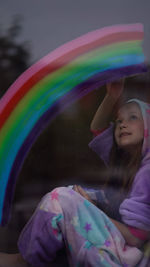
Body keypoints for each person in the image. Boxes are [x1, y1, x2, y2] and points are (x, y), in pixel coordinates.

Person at [1, 79, 150, 267]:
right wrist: (111, 97)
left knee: (61, 198)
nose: (121, 124)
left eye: (133, 117)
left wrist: (88, 209)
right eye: (119, 120)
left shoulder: (147, 172)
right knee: (71, 193)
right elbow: (98, 128)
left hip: (128, 259)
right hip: (117, 252)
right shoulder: (123, 163)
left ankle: (24, 261)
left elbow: (137, 237)